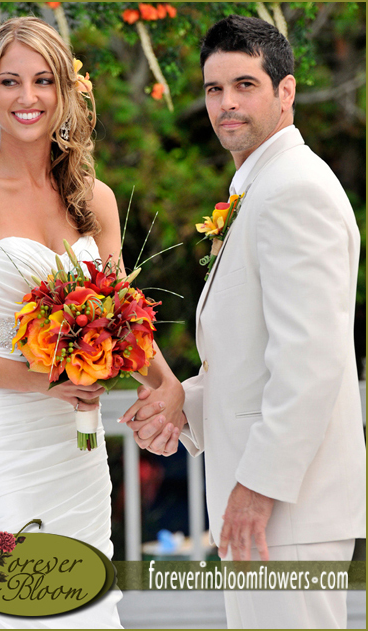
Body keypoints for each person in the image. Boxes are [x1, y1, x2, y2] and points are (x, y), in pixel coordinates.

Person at [120, 14, 366, 629]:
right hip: (267, 506)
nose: (226, 103)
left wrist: (257, 490)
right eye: (213, 88)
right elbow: (254, 360)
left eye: (245, 85)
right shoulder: (261, 185)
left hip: (286, 509)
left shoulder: (293, 190)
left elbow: (310, 362)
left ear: (285, 92)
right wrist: (184, 405)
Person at [0, 16, 129, 628]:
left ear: (65, 91)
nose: (27, 97)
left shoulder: (97, 199)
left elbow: (123, 324)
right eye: (10, 81)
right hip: (1, 440)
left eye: (42, 81)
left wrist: (164, 386)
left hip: (77, 448)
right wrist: (41, 381)